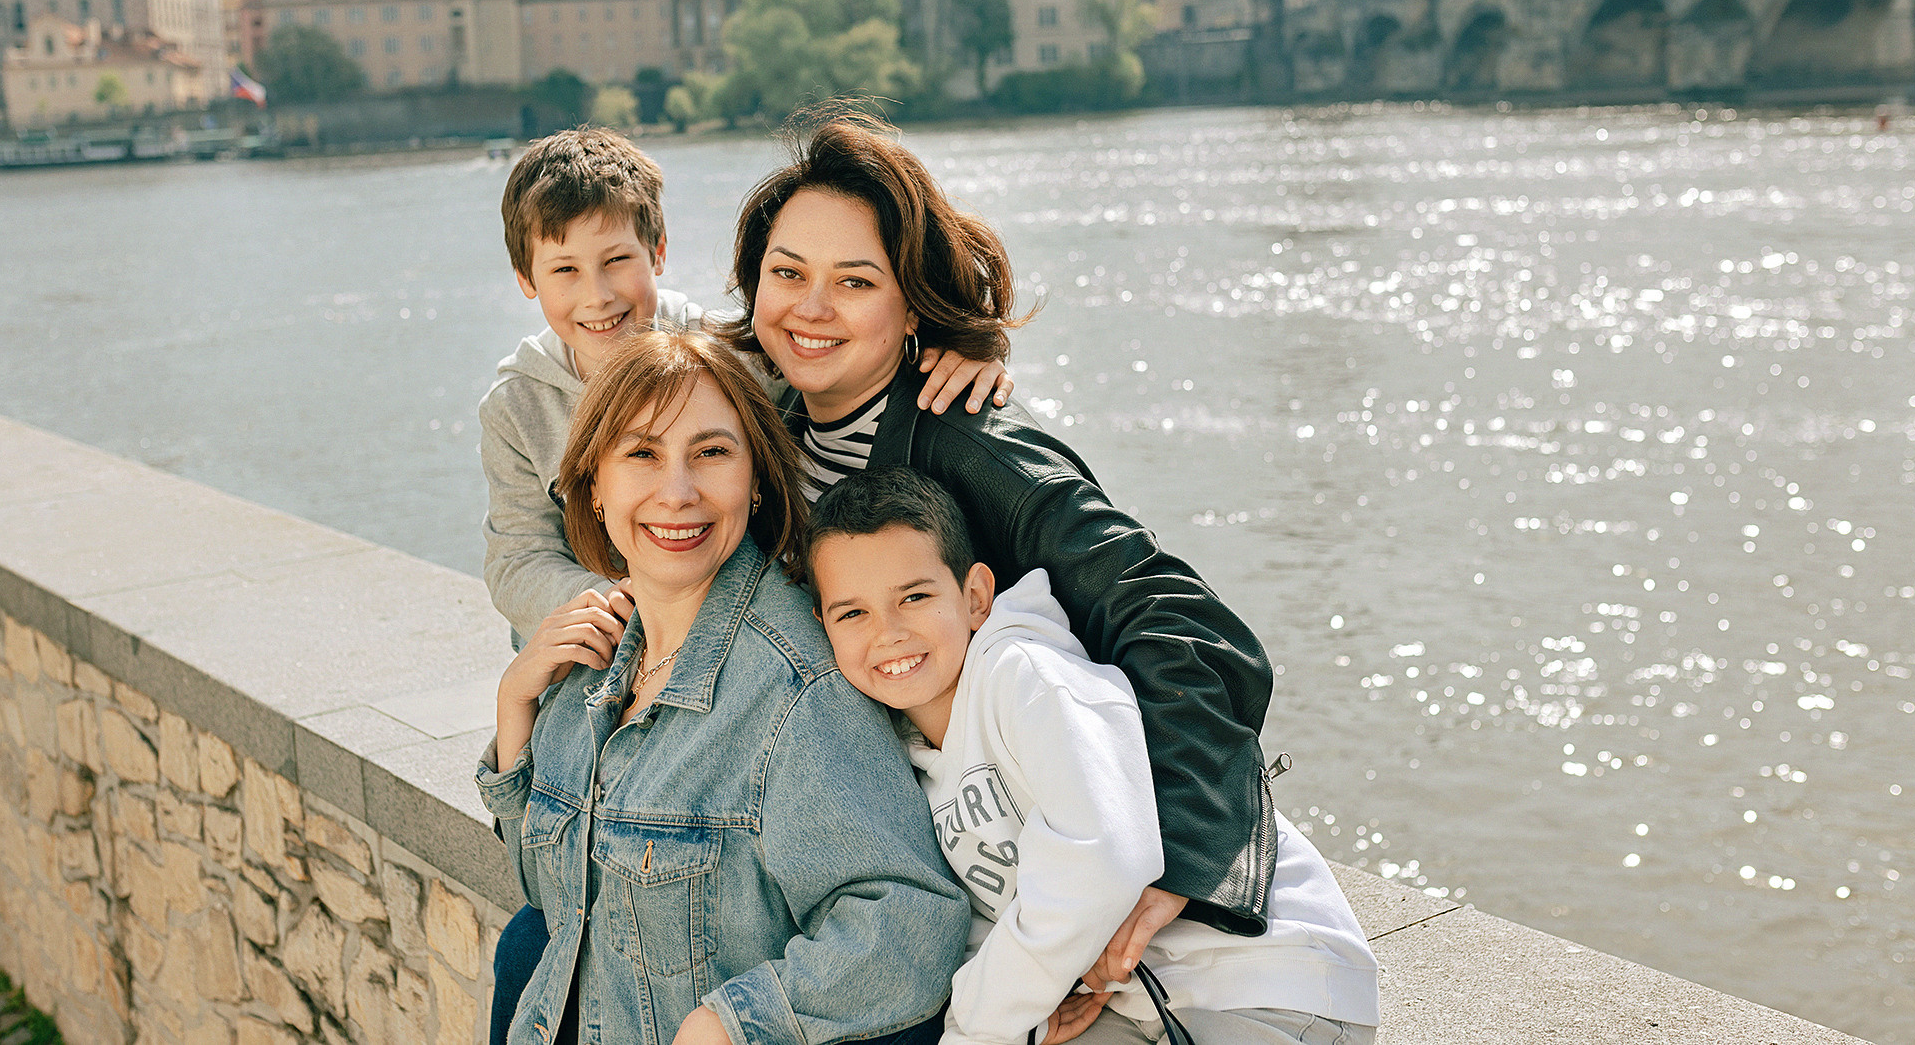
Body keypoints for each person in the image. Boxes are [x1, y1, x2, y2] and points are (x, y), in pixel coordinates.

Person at [478, 127, 1010, 1039]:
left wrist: (735, 1020)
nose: (675, 490)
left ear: (760, 473)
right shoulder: (595, 666)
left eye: (711, 453)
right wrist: (518, 713)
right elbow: (557, 886)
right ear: (593, 490)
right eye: (639, 455)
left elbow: (909, 919)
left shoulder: (791, 691)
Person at [720, 104, 1277, 953]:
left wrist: (1180, 862)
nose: (812, 307)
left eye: (857, 281)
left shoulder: (975, 443)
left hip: (995, 889)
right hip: (859, 856)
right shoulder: (758, 425)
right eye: (788, 273)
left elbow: (1184, 626)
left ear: (912, 309)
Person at [807, 468, 1378, 1045]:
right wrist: (1027, 1014)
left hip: (1264, 979)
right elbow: (982, 914)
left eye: (915, 596)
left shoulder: (1028, 676)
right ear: (823, 627)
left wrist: (974, 1028)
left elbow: (1104, 858)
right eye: (853, 613)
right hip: (1132, 1004)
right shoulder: (897, 756)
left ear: (975, 597)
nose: (890, 632)